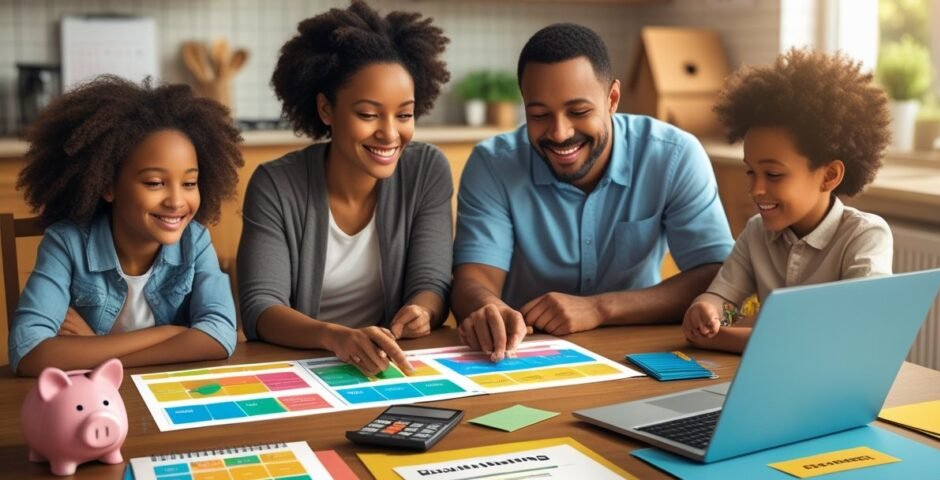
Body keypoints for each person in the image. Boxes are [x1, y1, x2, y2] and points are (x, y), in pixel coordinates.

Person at [452, 23, 735, 362]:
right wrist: (488, 308)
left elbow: (717, 275)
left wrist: (600, 308)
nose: (559, 133)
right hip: (524, 354)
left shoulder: (673, 155)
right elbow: (474, 278)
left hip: (637, 350)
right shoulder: (492, 164)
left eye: (578, 112)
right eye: (539, 115)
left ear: (612, 98)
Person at [237, 1, 453, 376]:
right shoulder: (275, 184)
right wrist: (335, 337)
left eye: (404, 115)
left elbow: (431, 282)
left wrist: (422, 311)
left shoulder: (427, 171)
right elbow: (261, 307)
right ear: (326, 110)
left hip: (388, 367)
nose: (389, 133)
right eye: (368, 115)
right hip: (301, 369)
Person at [10, 76, 243, 376]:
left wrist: (103, 354)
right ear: (107, 185)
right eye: (155, 183)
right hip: (91, 403)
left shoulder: (195, 241)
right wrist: (169, 333)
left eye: (189, 183)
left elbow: (220, 335)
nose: (176, 200)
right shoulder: (66, 243)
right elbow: (29, 352)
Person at [682, 49, 894, 353]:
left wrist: (722, 338)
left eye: (773, 174)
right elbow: (723, 298)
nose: (755, 189)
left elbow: (847, 336)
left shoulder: (864, 237)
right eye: (751, 172)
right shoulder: (756, 233)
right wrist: (705, 309)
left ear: (829, 175)